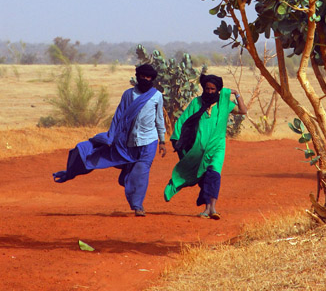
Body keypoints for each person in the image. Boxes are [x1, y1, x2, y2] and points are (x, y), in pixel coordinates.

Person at [52, 63, 166, 217]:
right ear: (137, 77)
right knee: (129, 167)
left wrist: (163, 141)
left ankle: (137, 205)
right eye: (143, 76)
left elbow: (159, 119)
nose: (146, 79)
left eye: (149, 77)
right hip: (129, 141)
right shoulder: (128, 95)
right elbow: (119, 116)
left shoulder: (156, 96)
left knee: (142, 170)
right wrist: (111, 136)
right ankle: (126, 180)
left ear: (152, 78)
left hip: (150, 140)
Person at [164, 73, 247, 220]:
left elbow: (243, 111)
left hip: (217, 147)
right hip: (198, 148)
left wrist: (236, 94)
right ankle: (207, 207)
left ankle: (211, 208)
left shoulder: (224, 103)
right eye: (207, 88)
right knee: (203, 176)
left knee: (214, 173)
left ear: (218, 89)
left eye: (213, 89)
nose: (209, 91)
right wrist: (177, 139)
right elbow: (184, 120)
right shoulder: (196, 102)